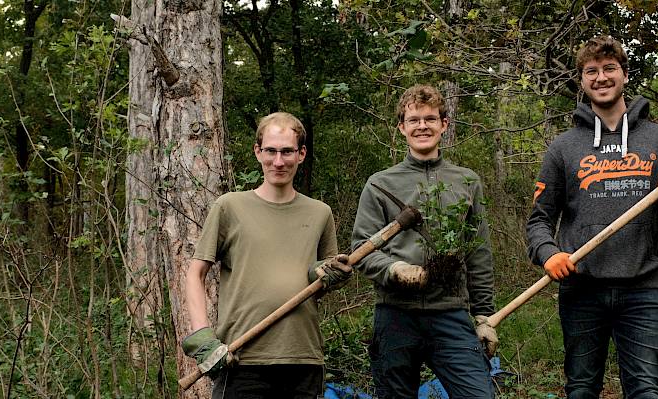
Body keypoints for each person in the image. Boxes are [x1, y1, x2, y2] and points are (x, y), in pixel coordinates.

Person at [526, 36, 658, 399]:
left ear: (625, 74)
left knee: (645, 390)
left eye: (609, 69)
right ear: (582, 80)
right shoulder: (563, 147)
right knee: (582, 389)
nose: (601, 77)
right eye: (591, 71)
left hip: (644, 288)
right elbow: (539, 219)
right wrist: (547, 253)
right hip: (582, 290)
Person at [182, 112, 351, 399]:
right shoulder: (230, 207)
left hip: (303, 359)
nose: (278, 161)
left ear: (301, 154)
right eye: (270, 151)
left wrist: (329, 274)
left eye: (287, 151)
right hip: (241, 359)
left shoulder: (320, 213)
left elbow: (322, 284)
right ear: (257, 151)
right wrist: (203, 337)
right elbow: (195, 273)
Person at [351, 84, 497, 399]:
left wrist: (485, 317)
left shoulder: (467, 181)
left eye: (430, 119)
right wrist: (394, 269)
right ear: (401, 127)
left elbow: (479, 253)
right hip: (395, 315)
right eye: (414, 120)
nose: (422, 126)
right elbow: (361, 251)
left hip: (450, 313)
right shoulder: (380, 184)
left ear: (444, 125)